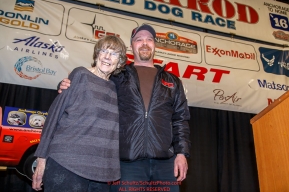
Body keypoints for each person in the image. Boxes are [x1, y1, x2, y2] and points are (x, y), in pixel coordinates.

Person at [59, 24, 191, 192]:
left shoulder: (172, 81)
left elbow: (181, 119)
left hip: (166, 164)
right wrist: (65, 84)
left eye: (149, 39)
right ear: (132, 46)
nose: (144, 43)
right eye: (139, 40)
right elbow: (91, 83)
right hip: (126, 164)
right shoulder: (118, 75)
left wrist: (182, 154)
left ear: (155, 45)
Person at [32, 35, 127, 192]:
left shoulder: (115, 88)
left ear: (120, 62)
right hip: (66, 164)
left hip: (102, 173)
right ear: (97, 54)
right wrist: (41, 159)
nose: (107, 56)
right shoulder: (80, 75)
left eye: (114, 53)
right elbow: (54, 116)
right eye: (104, 50)